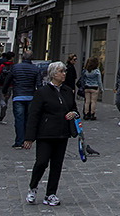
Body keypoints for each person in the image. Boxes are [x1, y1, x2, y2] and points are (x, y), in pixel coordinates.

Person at [23, 60, 79, 206]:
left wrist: (73, 113)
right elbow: (34, 115)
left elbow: (74, 108)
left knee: (57, 165)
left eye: (64, 71)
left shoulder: (67, 91)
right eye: (61, 71)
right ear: (53, 74)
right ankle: (33, 187)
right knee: (41, 162)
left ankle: (51, 194)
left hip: (62, 133)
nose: (64, 74)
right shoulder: (42, 92)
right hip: (46, 133)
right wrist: (29, 137)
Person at [9, 52, 45, 149]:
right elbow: (39, 85)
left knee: (19, 119)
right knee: (29, 119)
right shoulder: (36, 69)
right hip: (30, 96)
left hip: (18, 96)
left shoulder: (15, 67)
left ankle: (19, 141)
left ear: (23, 57)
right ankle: (27, 139)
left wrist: (4, 90)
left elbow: (9, 79)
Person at [0, 52, 15, 123]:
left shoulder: (2, 65)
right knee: (6, 99)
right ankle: (2, 114)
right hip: (9, 85)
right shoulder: (13, 66)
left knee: (1, 98)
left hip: (1, 84)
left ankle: (2, 106)